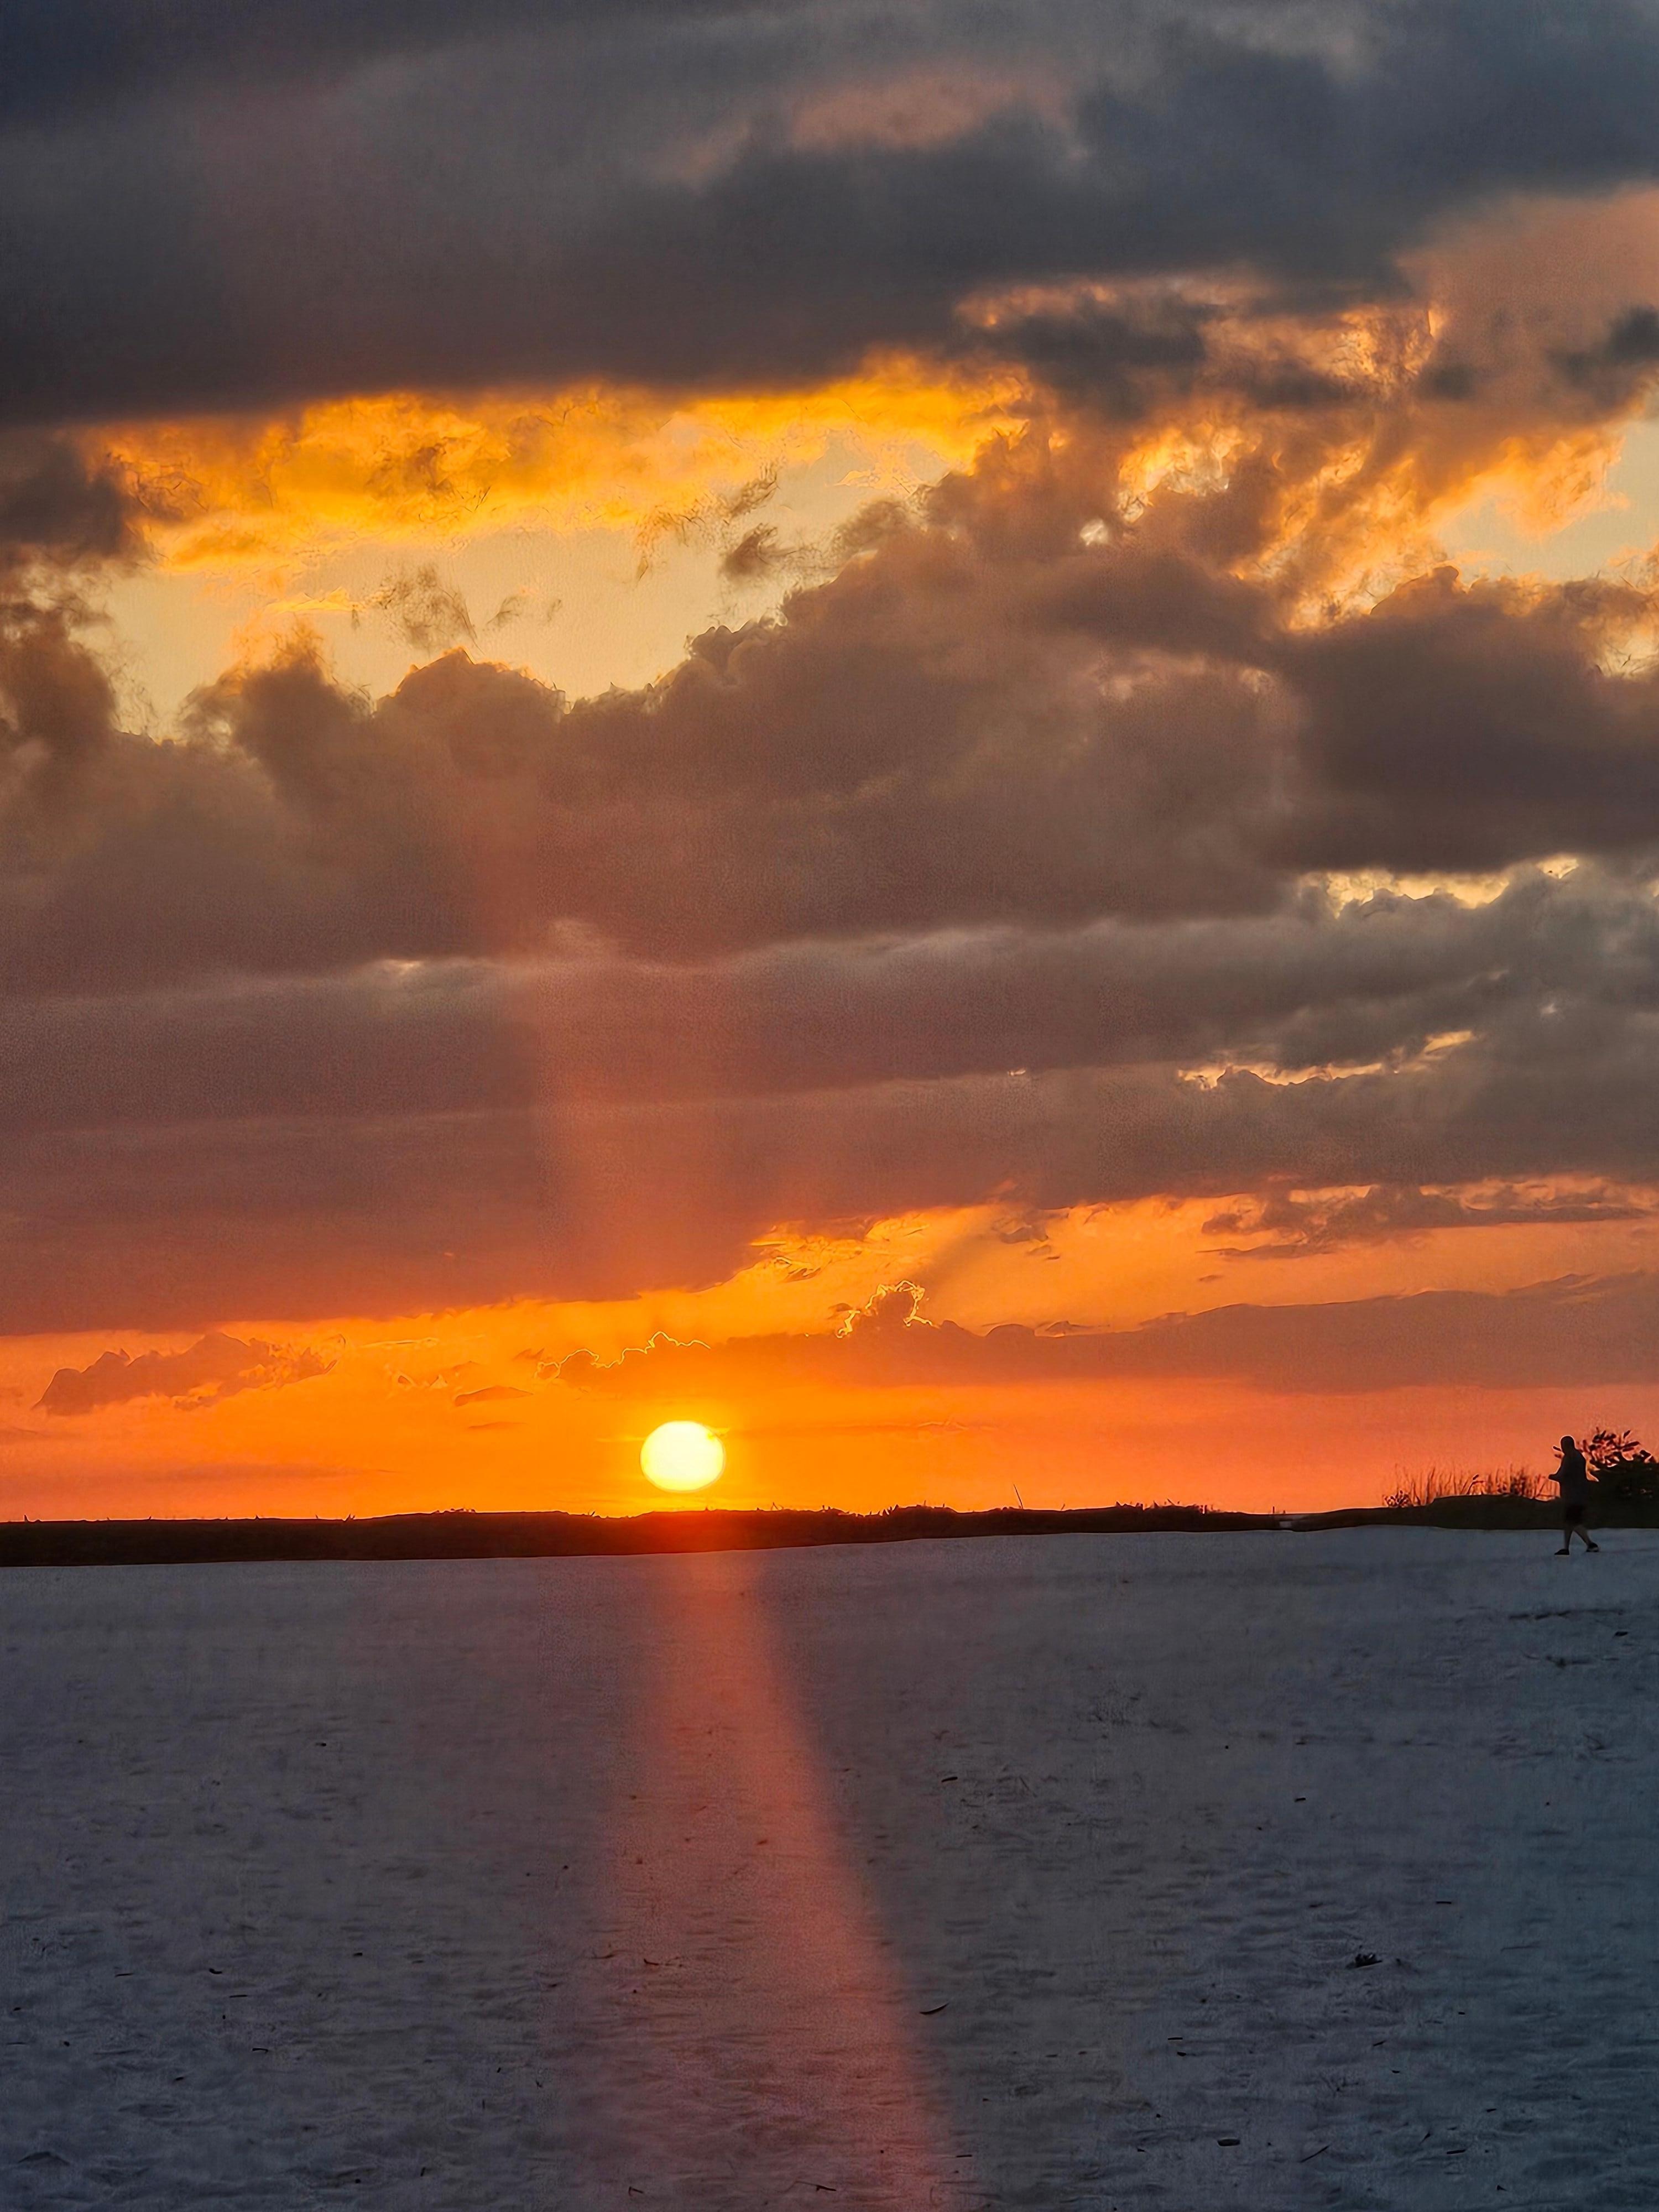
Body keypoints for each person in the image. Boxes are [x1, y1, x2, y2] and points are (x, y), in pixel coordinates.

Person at [1551, 1434, 1599, 1556]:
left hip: (1572, 1495)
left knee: (1573, 1523)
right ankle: (1566, 1548)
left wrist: (1553, 1477)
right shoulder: (1580, 1457)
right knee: (1569, 1523)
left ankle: (1590, 1544)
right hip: (1581, 1494)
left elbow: (1563, 1474)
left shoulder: (1569, 1457)